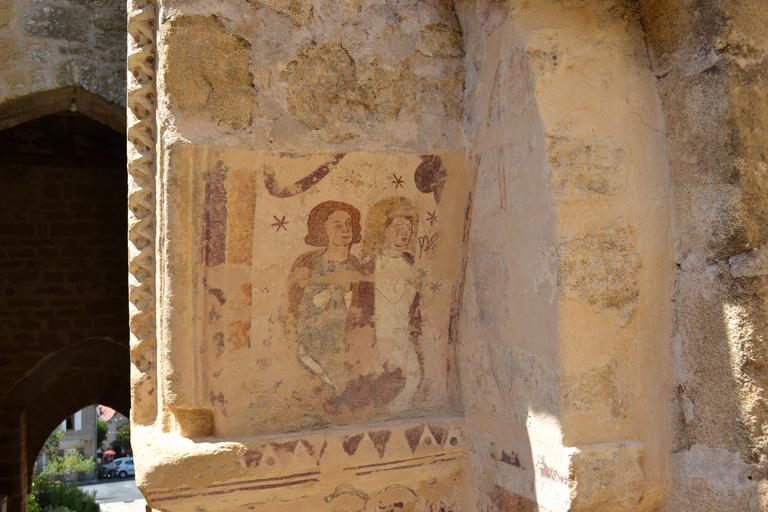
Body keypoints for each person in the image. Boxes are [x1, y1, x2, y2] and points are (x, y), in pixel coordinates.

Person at [286, 201, 363, 389]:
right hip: (312, 344)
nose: (345, 230)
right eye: (337, 225)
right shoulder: (308, 262)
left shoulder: (357, 266)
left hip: (346, 346)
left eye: (348, 223)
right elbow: (293, 305)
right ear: (323, 229)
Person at [357, 197, 423, 411]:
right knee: (383, 381)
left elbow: (414, 304)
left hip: (402, 332)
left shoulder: (411, 263)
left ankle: (396, 410)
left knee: (413, 376)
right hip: (380, 334)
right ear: (384, 229)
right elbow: (361, 306)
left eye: (409, 229)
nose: (404, 233)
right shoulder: (370, 265)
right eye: (398, 227)